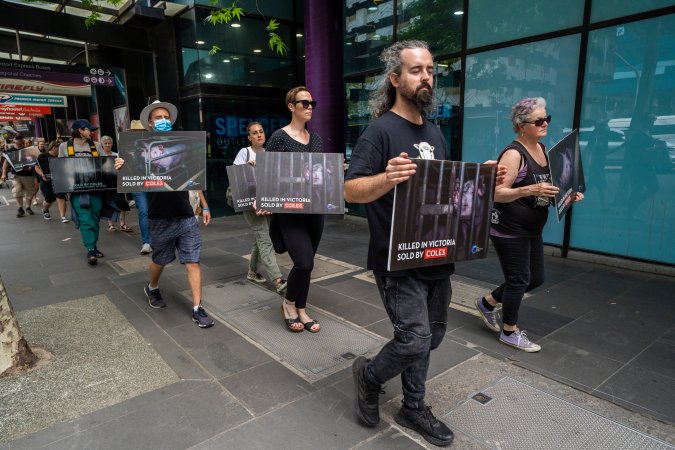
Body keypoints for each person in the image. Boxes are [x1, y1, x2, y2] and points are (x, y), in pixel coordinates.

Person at [345, 40, 506, 446]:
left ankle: (410, 404)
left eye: (431, 70)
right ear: (395, 79)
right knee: (414, 339)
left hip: (437, 252)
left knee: (431, 338)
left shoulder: (434, 132)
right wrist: (387, 178)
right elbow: (349, 190)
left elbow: (446, 194)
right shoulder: (379, 132)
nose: (427, 77)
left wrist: (480, 180)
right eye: (417, 70)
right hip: (397, 259)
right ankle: (372, 379)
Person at [475, 97, 584, 352]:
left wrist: (567, 194)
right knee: (519, 280)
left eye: (547, 118)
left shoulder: (543, 149)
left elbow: (548, 188)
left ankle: (487, 303)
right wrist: (528, 189)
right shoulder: (514, 155)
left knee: (535, 278)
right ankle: (509, 332)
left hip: (532, 228)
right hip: (508, 228)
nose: (545, 123)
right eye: (538, 121)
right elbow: (496, 193)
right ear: (521, 125)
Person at [114, 100, 214, 328]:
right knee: (161, 259)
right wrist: (120, 166)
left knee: (193, 262)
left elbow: (194, 179)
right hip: (159, 216)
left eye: (165, 117)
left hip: (186, 215)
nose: (163, 121)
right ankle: (152, 287)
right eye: (158, 118)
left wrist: (204, 205)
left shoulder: (183, 144)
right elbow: (129, 176)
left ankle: (198, 308)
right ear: (150, 122)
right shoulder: (138, 149)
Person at [264, 86, 324, 333]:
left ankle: (302, 307)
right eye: (304, 103)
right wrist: (265, 200)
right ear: (291, 106)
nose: (309, 107)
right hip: (290, 211)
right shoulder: (279, 137)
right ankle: (288, 304)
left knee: (308, 263)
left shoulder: (317, 139)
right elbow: (269, 174)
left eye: (312, 103)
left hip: (315, 210)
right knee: (304, 261)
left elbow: (319, 175)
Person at [234, 122, 287, 294]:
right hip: (250, 202)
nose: (259, 135)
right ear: (249, 137)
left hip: (267, 200)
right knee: (265, 238)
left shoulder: (268, 153)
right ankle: (278, 280)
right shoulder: (245, 152)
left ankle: (252, 272)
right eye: (255, 133)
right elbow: (236, 177)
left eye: (261, 132)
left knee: (261, 237)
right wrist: (246, 167)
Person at [58, 119, 106, 265]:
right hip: (78, 192)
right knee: (86, 219)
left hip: (96, 189)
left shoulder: (96, 146)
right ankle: (90, 249)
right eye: (89, 130)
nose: (91, 132)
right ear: (80, 130)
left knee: (95, 219)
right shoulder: (64, 146)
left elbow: (104, 164)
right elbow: (61, 167)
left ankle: (94, 244)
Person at [128, 120, 153, 255]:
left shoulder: (151, 142)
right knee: (144, 210)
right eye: (136, 131)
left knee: (154, 210)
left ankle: (154, 239)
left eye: (141, 131)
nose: (139, 133)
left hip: (153, 181)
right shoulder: (129, 146)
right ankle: (146, 242)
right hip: (137, 182)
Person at [100, 135, 132, 232]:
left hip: (117, 181)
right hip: (105, 183)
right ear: (102, 144)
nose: (107, 145)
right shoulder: (99, 155)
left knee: (122, 202)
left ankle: (122, 223)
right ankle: (111, 224)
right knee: (109, 202)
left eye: (109, 143)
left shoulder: (116, 155)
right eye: (105, 143)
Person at [1, 134, 37, 217]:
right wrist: (3, 174)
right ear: (13, 140)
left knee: (30, 192)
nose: (19, 140)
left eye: (20, 138)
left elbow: (33, 161)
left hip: (28, 174)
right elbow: (5, 163)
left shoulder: (27, 150)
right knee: (17, 190)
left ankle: (28, 207)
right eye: (17, 138)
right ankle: (20, 208)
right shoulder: (9, 151)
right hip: (16, 174)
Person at [34, 139, 69, 221]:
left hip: (59, 180)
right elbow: (36, 167)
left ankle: (63, 217)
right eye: (59, 148)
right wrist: (42, 174)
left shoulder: (61, 156)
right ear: (53, 148)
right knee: (50, 199)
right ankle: (45, 209)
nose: (61, 150)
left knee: (61, 196)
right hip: (46, 181)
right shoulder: (42, 156)